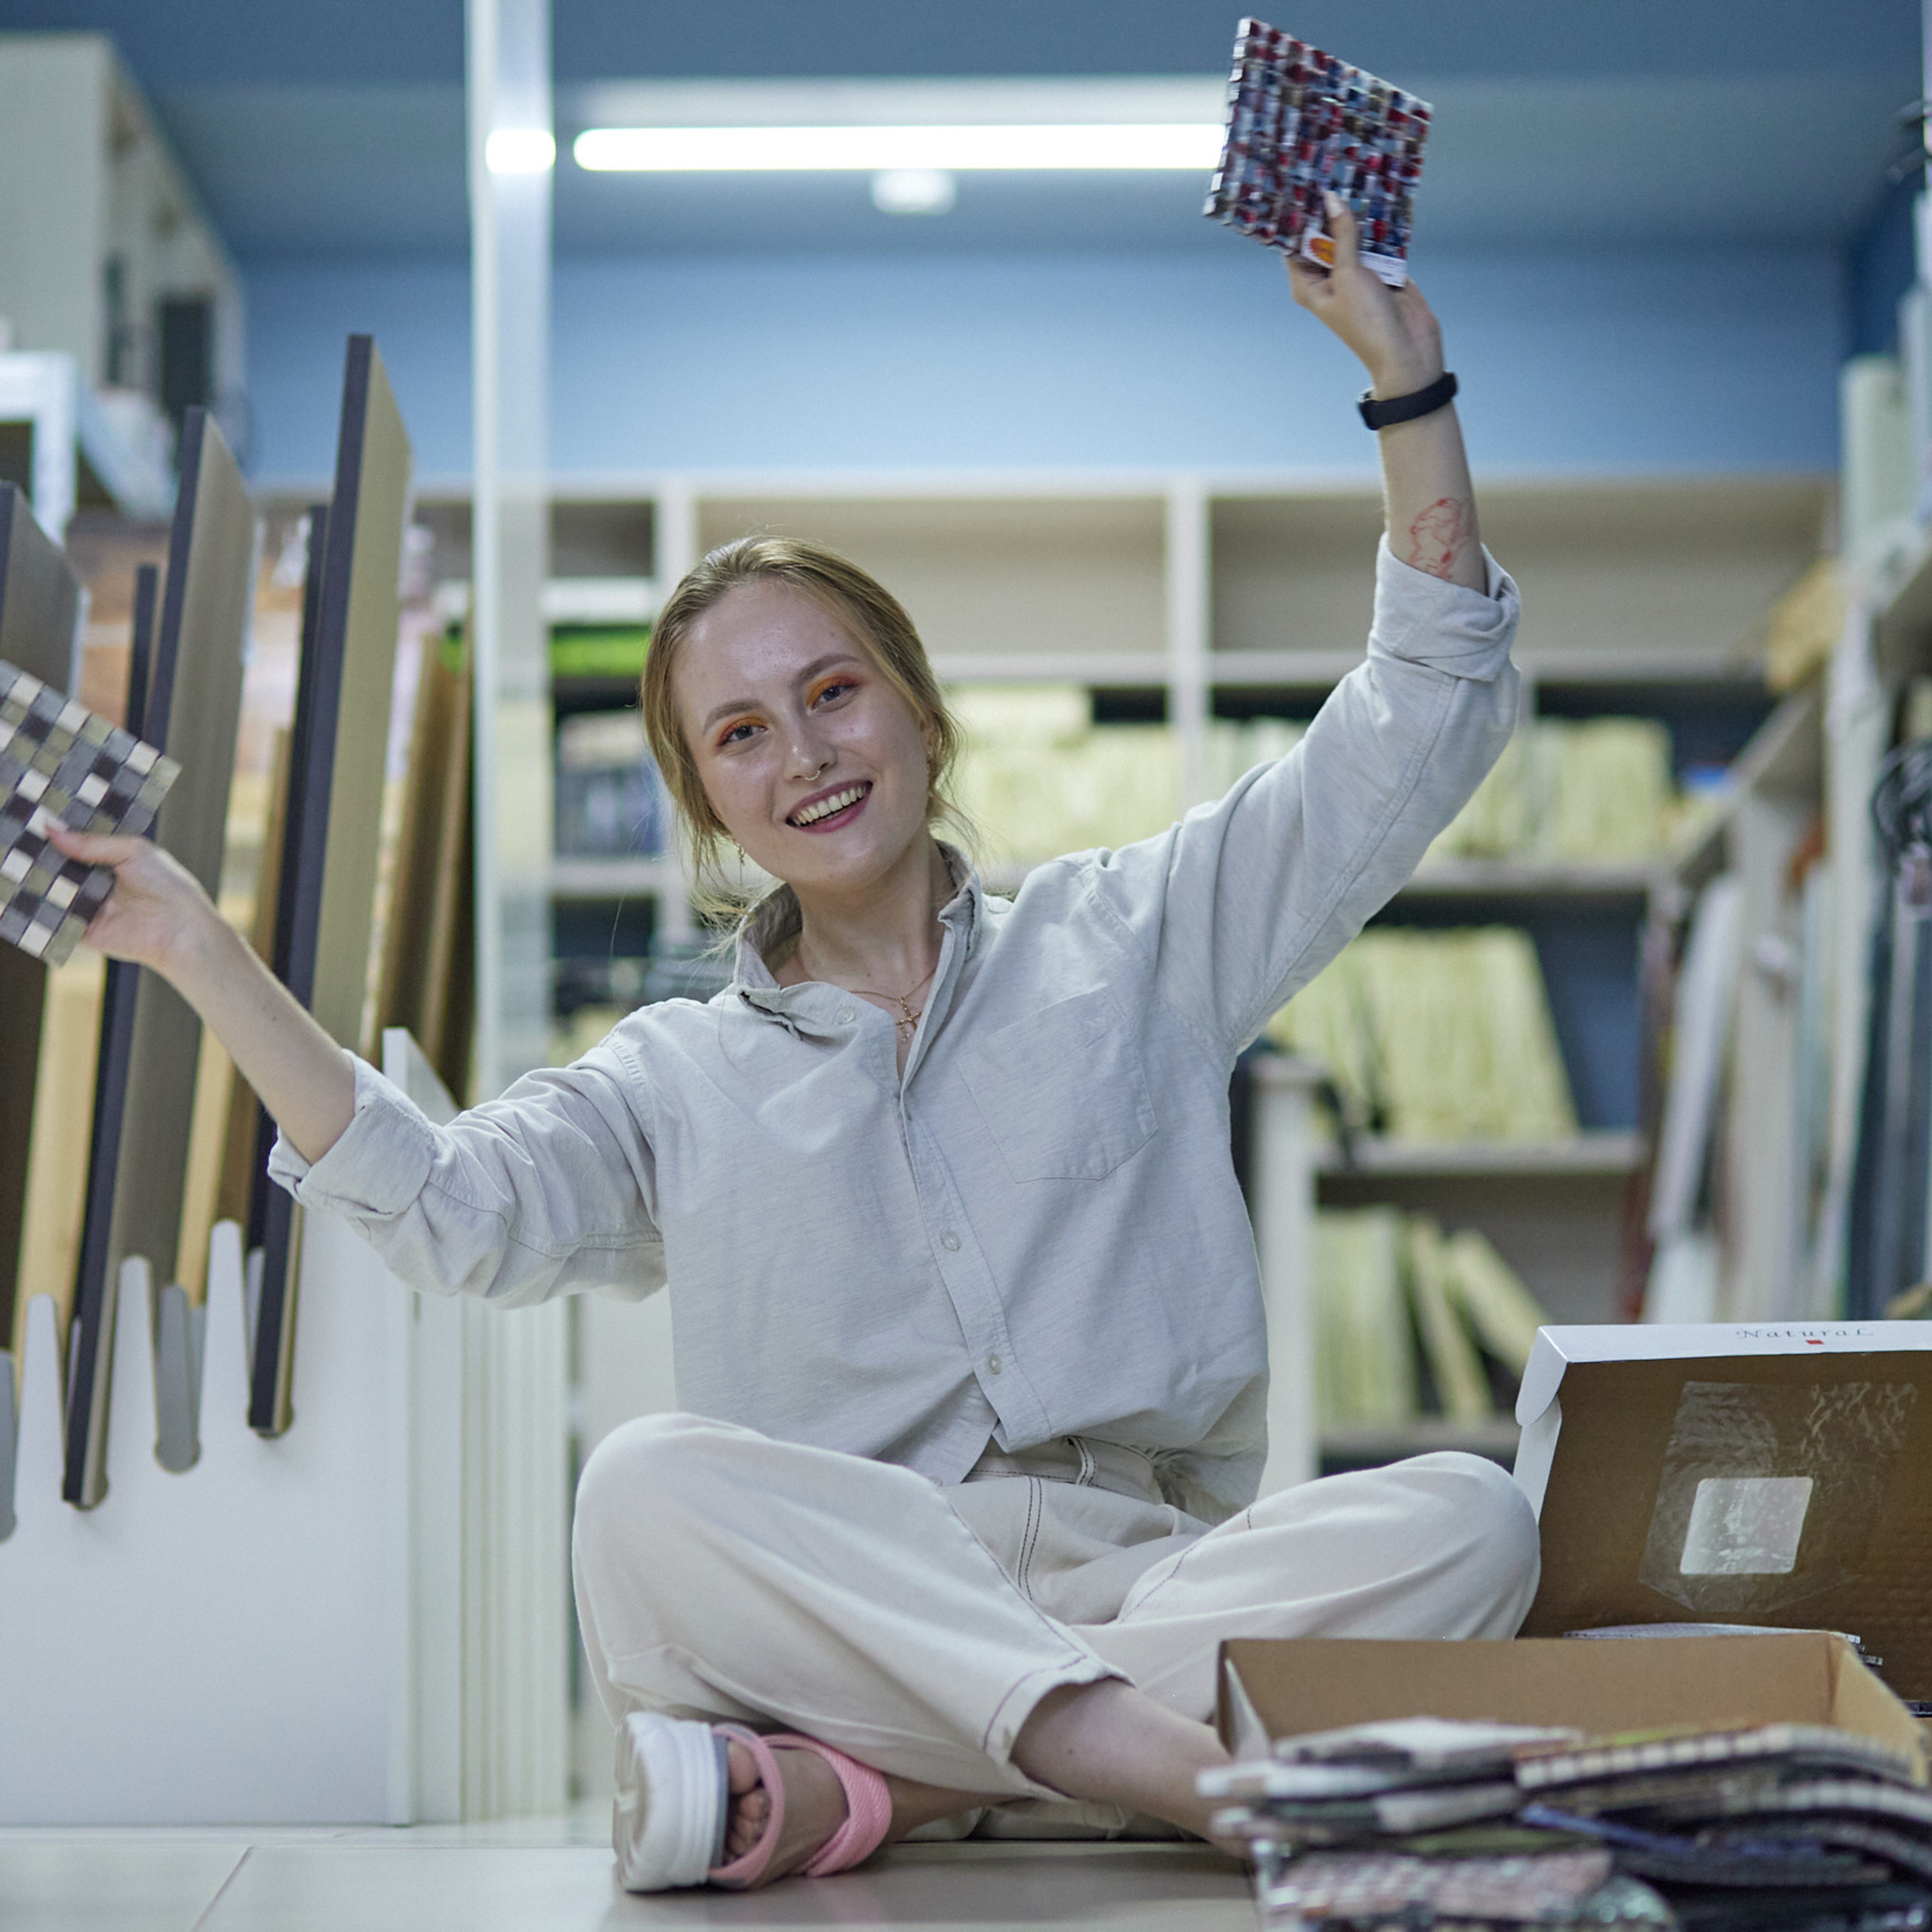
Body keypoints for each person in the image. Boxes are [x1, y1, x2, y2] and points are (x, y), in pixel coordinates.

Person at [53, 198, 1537, 1890]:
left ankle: (910, 1786)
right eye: (741, 735)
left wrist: (1404, 385)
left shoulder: (1138, 935)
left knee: (1464, 1518)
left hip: (1158, 1583)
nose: (806, 756)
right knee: (643, 1492)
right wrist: (190, 938)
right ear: (711, 806)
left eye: (833, 692)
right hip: (868, 1582)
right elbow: (448, 1204)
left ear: (914, 701)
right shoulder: (673, 1072)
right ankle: (1160, 1771)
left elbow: (1415, 719)